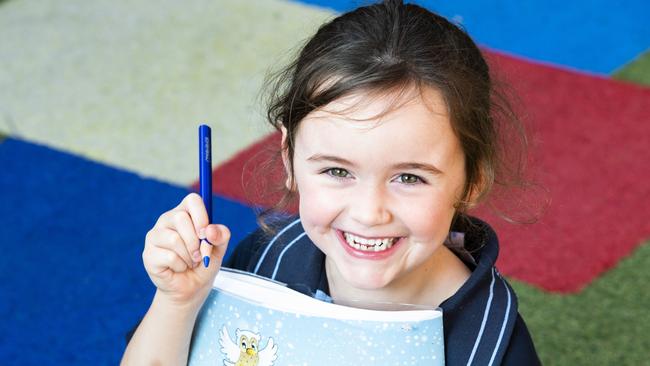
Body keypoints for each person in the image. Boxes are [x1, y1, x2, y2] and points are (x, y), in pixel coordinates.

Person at [121, 0, 541, 364]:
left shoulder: (491, 342)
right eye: (338, 171)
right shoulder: (266, 260)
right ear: (289, 157)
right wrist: (178, 302)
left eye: (409, 177)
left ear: (471, 180)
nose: (369, 212)